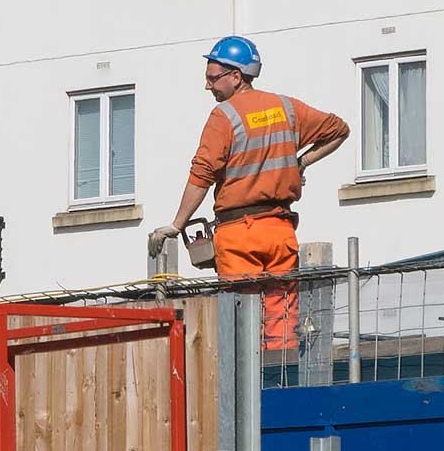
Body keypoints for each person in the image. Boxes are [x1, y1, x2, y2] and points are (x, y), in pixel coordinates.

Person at [148, 36, 349, 349]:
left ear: (236, 76)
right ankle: (279, 376)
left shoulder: (224, 116)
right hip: (280, 231)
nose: (207, 85)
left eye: (213, 78)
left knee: (242, 322)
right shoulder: (286, 108)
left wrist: (177, 224)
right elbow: (338, 130)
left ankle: (246, 378)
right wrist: (301, 162)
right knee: (281, 317)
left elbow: (202, 173)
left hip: (238, 234)